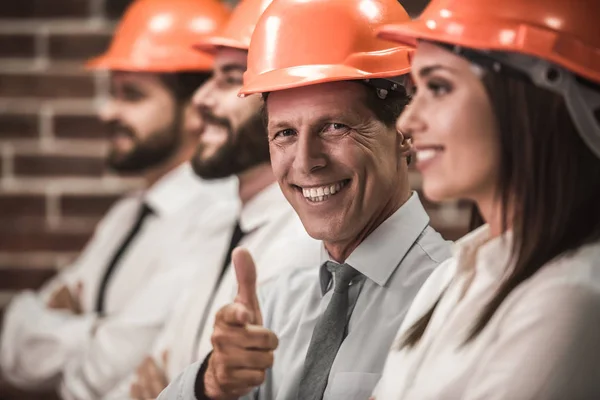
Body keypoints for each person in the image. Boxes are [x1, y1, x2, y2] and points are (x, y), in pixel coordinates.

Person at [157, 0, 451, 399]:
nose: (306, 162)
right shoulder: (276, 304)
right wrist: (212, 384)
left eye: (334, 126)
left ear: (404, 132)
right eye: (285, 134)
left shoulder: (450, 296)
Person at [0, 0, 237, 398]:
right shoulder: (125, 216)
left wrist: (67, 322)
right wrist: (96, 332)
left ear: (198, 108)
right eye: (112, 93)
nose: (107, 111)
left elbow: (96, 380)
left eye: (132, 95)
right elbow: (13, 347)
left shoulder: (218, 218)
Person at [372, 0, 600, 398]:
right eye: (416, 90)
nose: (408, 121)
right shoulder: (456, 268)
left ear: (532, 96)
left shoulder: (570, 299)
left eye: (438, 87)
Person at [105, 1, 321, 398]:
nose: (201, 100)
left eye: (228, 79)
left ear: (290, 96)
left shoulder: (308, 243)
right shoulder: (221, 225)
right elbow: (150, 374)